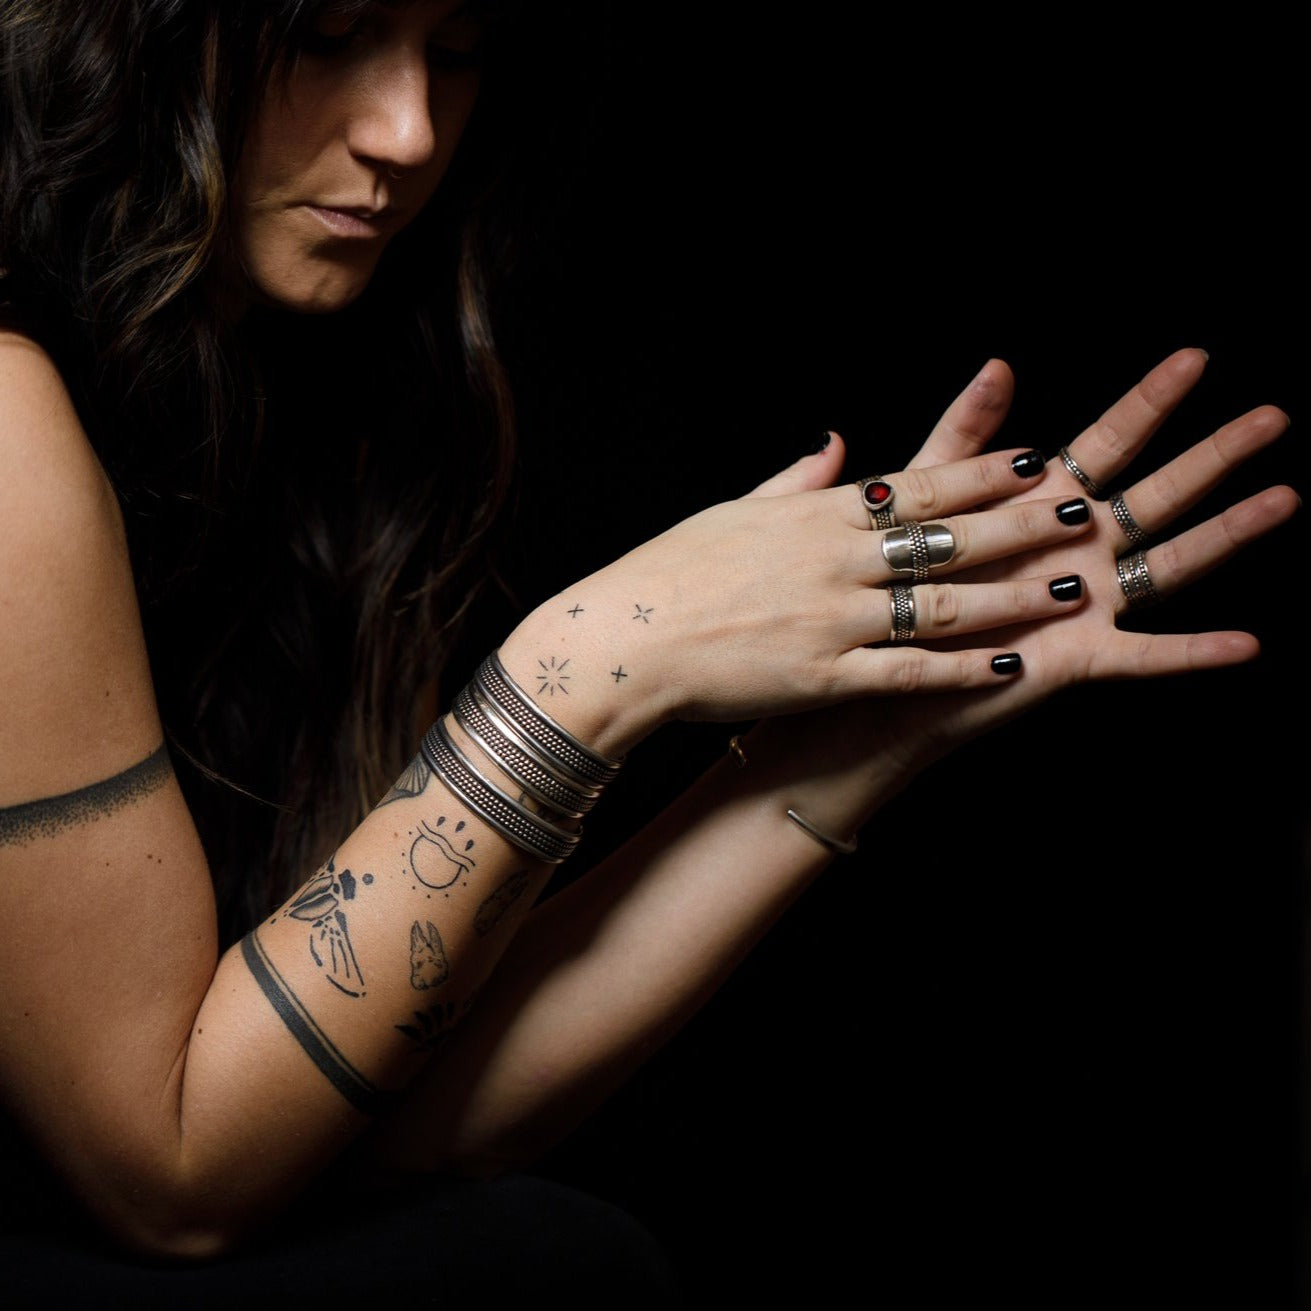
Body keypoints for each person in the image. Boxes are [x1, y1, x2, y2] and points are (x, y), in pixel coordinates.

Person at [0, 0, 1298, 1301]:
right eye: (331, 31)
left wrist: (824, 763)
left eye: (456, 54)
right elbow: (168, 1175)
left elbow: (333, 1111)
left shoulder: (314, 417)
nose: (407, 132)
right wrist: (603, 656)